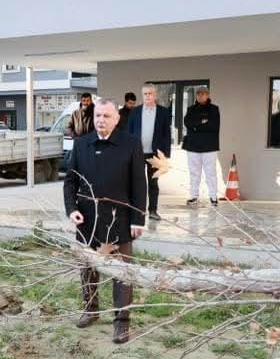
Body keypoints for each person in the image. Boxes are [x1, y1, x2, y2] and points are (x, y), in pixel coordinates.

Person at [64, 98, 147, 345]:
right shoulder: (81, 144)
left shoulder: (130, 144)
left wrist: (138, 219)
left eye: (107, 116)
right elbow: (70, 181)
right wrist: (72, 210)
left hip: (119, 219)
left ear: (117, 118)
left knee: (122, 272)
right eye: (98, 115)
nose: (101, 120)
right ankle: (91, 309)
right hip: (87, 220)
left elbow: (139, 185)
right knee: (88, 267)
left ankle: (122, 321)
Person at [125, 85, 172, 221]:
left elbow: (166, 134)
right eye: (145, 94)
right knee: (138, 183)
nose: (147, 96)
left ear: (155, 95)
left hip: (155, 154)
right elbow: (129, 133)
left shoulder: (163, 112)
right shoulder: (135, 112)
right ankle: (138, 211)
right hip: (137, 153)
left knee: (153, 183)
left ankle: (153, 211)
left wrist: (165, 155)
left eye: (150, 93)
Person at [182, 86, 221, 206]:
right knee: (194, 172)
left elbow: (213, 126)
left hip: (209, 147)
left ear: (208, 95)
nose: (200, 96)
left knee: (210, 173)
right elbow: (188, 123)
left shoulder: (214, 109)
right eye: (198, 94)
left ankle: (213, 197)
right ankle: (194, 196)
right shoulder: (191, 109)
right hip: (192, 146)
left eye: (203, 94)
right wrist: (202, 122)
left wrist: (196, 125)